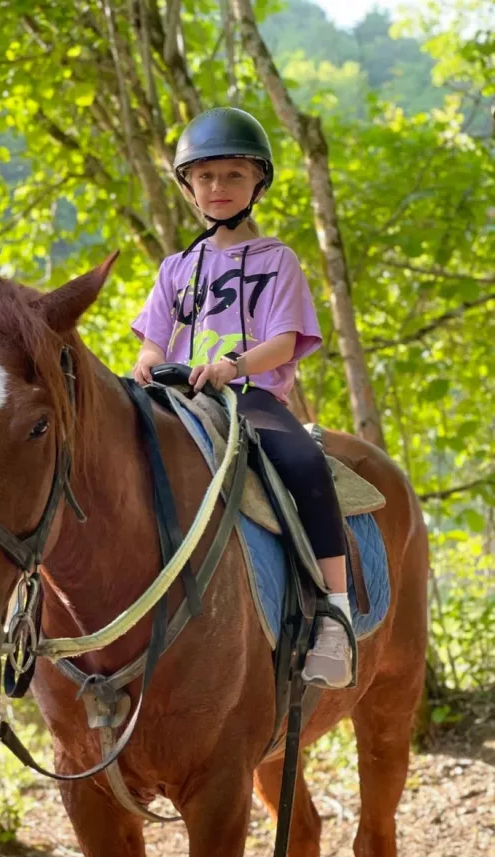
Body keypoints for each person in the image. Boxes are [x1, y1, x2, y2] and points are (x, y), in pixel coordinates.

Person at [131, 107, 353, 689]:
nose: (217, 187)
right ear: (188, 186)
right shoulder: (176, 268)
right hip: (180, 398)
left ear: (257, 183)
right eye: (204, 177)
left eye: (232, 175)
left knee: (306, 466)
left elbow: (283, 343)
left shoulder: (277, 259)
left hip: (250, 398)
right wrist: (154, 370)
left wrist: (232, 367)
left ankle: (336, 615)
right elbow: (150, 347)